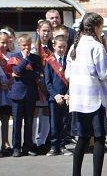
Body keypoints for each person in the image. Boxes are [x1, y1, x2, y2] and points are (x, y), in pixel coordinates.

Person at [67, 13, 107, 176]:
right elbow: (104, 74)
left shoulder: (75, 47)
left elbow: (68, 73)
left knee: (82, 138)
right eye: (101, 27)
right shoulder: (97, 47)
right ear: (97, 28)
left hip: (78, 99)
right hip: (95, 99)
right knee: (99, 139)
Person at [8, 33, 41, 157]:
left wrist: (22, 73)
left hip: (30, 93)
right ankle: (16, 147)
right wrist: (25, 60)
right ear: (19, 45)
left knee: (29, 122)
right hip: (17, 93)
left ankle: (27, 146)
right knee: (17, 122)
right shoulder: (14, 57)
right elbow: (16, 71)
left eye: (28, 45)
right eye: (24, 45)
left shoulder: (36, 58)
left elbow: (36, 74)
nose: (26, 48)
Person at [44, 34, 71, 156]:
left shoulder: (69, 61)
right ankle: (54, 146)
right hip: (53, 98)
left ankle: (63, 145)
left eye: (64, 47)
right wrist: (55, 95)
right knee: (54, 123)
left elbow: (72, 80)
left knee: (65, 122)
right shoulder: (49, 61)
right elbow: (47, 82)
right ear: (54, 46)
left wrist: (67, 94)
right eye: (59, 47)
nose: (62, 49)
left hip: (66, 98)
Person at [33, 20, 53, 154]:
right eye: (43, 30)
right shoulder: (34, 48)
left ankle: (43, 141)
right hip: (35, 84)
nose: (45, 33)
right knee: (34, 112)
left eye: (48, 31)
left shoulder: (53, 48)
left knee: (46, 111)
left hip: (48, 84)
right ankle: (33, 142)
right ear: (38, 31)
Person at [0, 30, 14, 156]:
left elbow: (15, 73)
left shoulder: (12, 56)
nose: (5, 45)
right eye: (2, 42)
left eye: (7, 42)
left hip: (8, 89)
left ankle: (5, 142)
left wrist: (10, 81)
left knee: (6, 117)